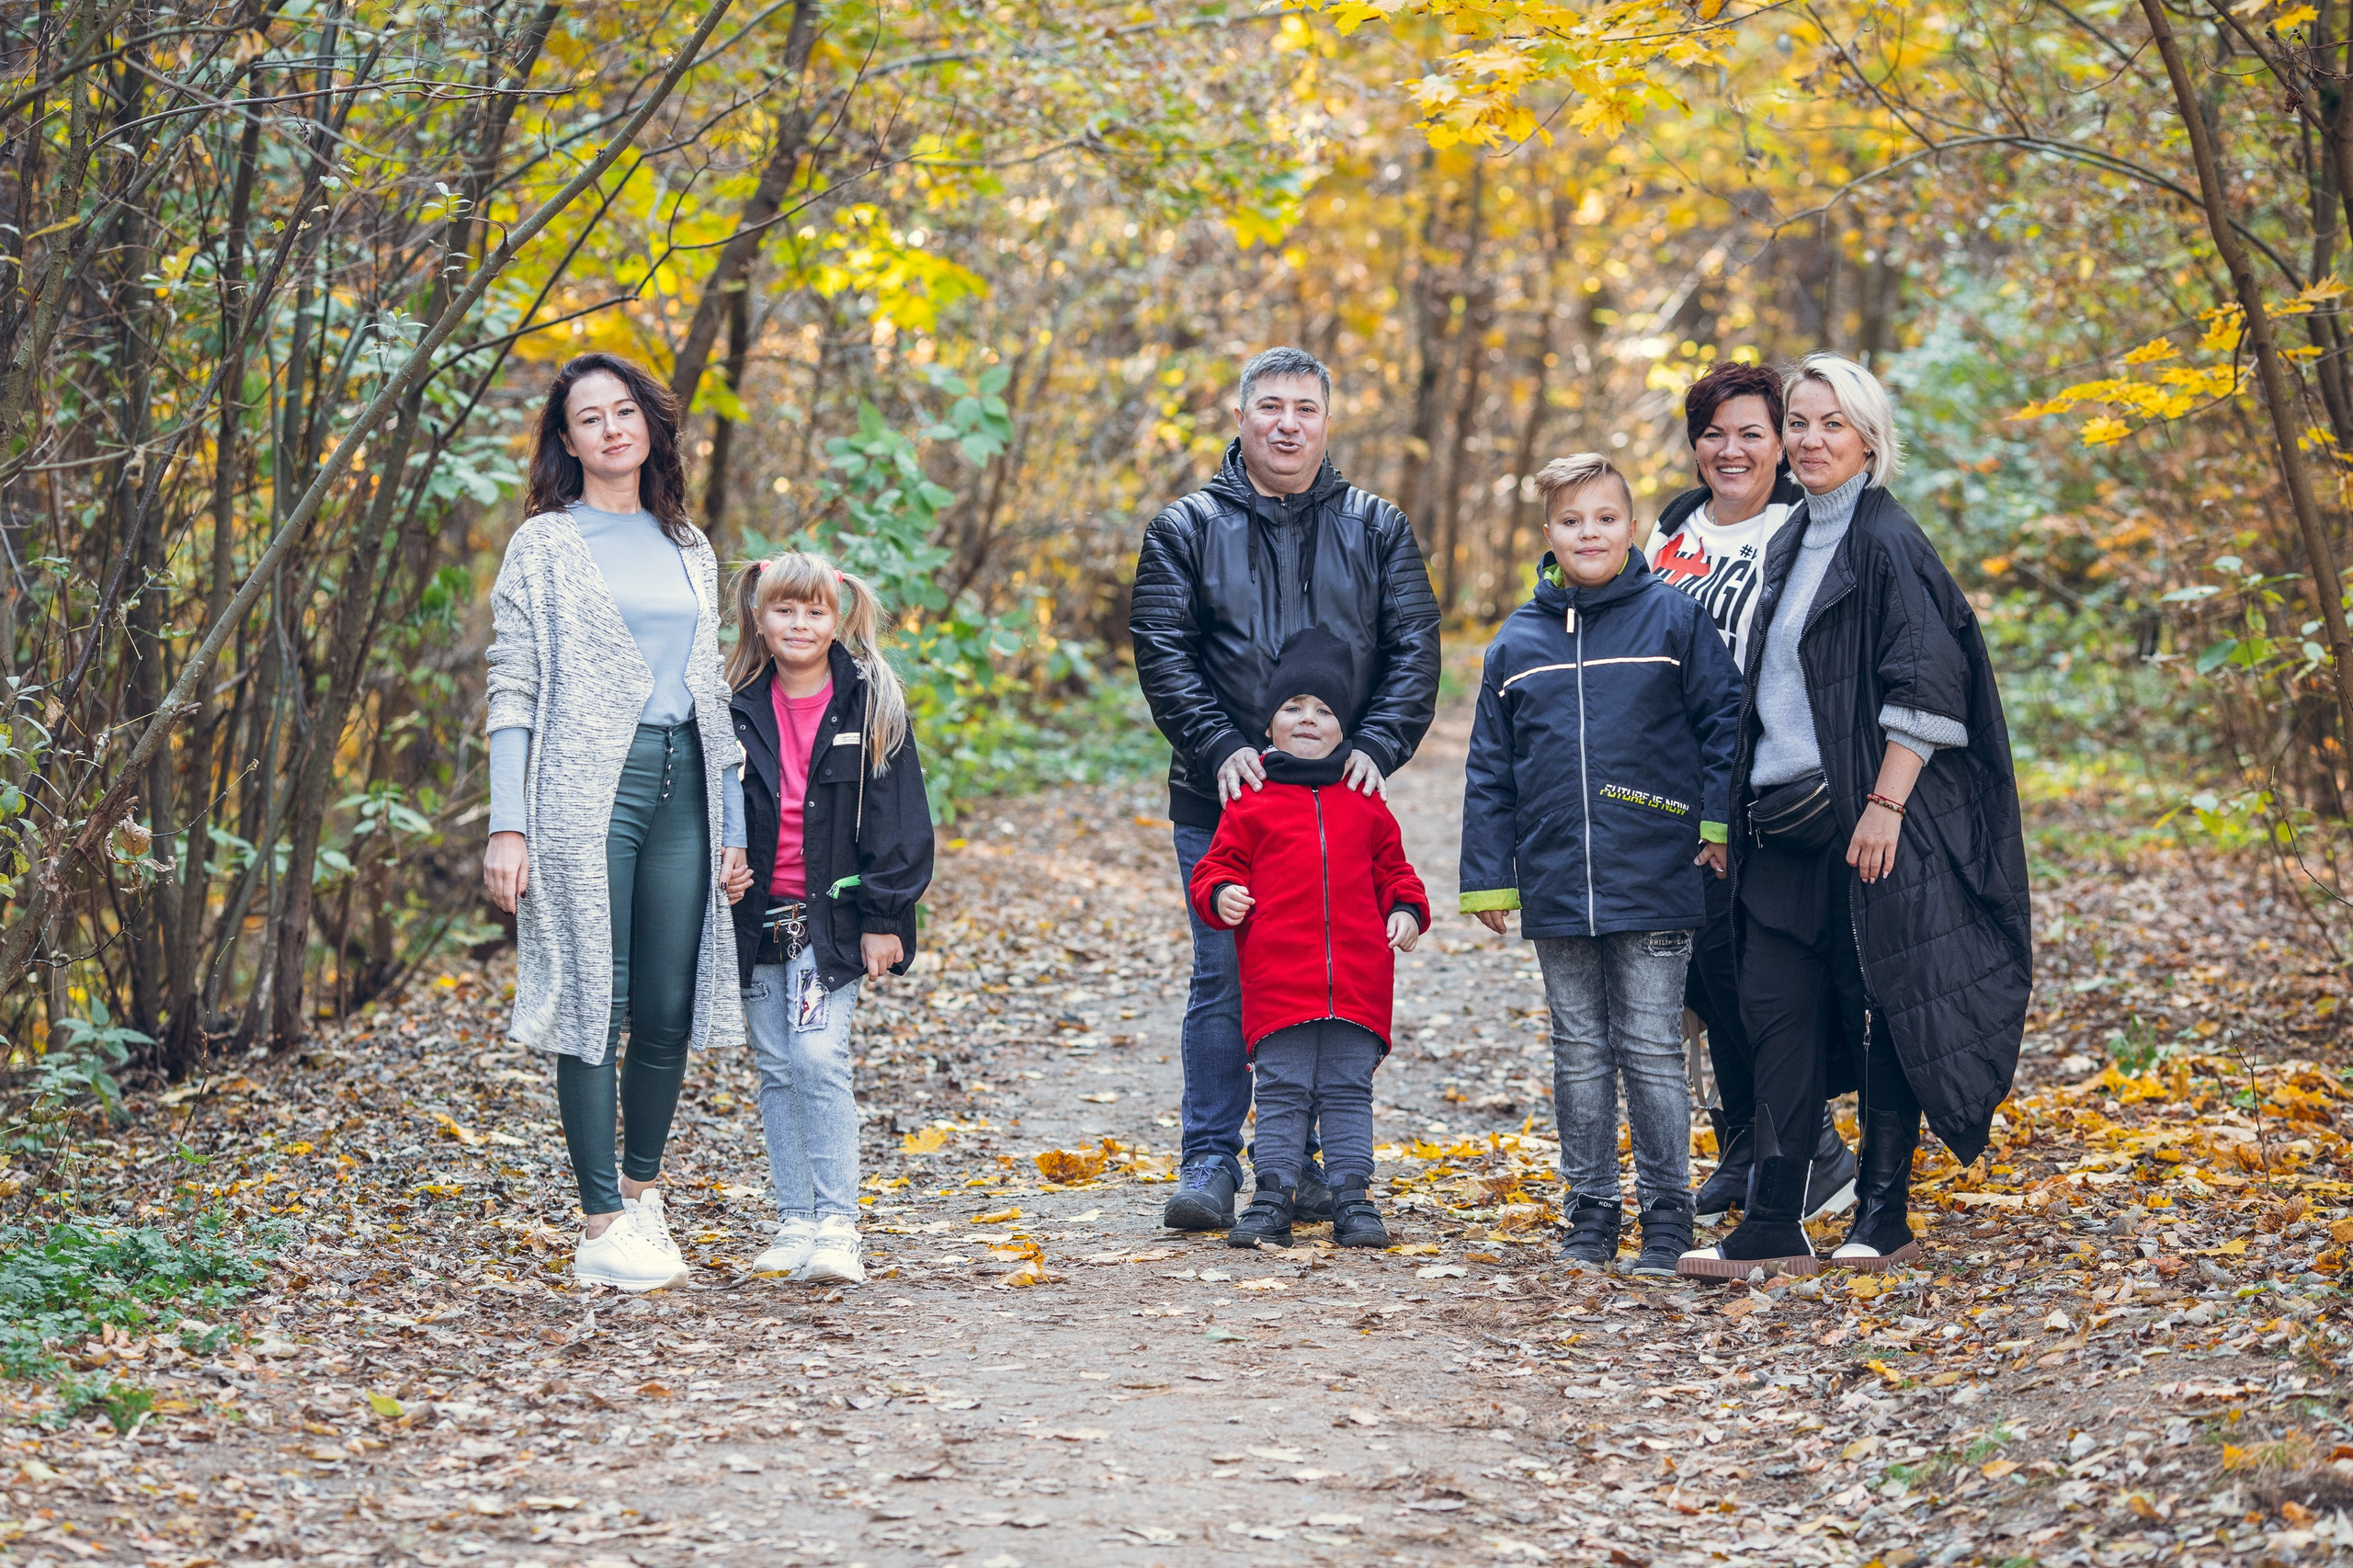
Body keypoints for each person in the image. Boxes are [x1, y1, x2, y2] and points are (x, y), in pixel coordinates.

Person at [1678, 354, 2031, 1280]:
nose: (1809, 439)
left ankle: (1883, 1212)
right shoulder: (1793, 536)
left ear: (1869, 438)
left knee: (1884, 1010)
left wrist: (1885, 803)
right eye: (1798, 422)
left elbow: (1928, 685)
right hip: (1779, 822)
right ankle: (1774, 1221)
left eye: (1831, 423)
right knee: (1773, 1008)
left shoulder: (1886, 539)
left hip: (1869, 823)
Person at [1131, 346, 1442, 1232]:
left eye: (1306, 408)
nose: (1287, 424)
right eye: (1270, 406)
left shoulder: (1376, 527)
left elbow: (1416, 647)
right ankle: (1209, 1159)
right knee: (1225, 972)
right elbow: (1162, 649)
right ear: (1240, 418)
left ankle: (1297, 1162)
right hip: (1224, 798)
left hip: (1338, 810)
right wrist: (1218, 744)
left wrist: (1377, 744)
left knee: (1319, 976)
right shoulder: (1185, 527)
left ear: (1326, 423)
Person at [484, 353, 752, 1294]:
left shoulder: (689, 544)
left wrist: (734, 820)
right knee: (593, 995)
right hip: (583, 792)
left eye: (623, 411)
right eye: (589, 418)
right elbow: (512, 686)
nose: (610, 429)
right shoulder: (544, 545)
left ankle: (641, 1196)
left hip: (688, 787)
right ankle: (599, 1221)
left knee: (668, 1005)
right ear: (567, 440)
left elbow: (709, 687)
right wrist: (507, 825)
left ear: (650, 425)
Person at [1460, 454, 1742, 1276]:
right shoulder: (1518, 642)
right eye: (1573, 521)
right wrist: (1489, 874)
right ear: (1549, 533)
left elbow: (1725, 720)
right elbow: (1490, 769)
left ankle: (1667, 1212)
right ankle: (1590, 1209)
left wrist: (1716, 823)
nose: (1590, 533)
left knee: (1651, 1047)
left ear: (1631, 527)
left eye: (1606, 519)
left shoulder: (1672, 621)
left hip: (1656, 873)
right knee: (1579, 1049)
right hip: (1555, 880)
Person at [1646, 361, 1856, 1229]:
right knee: (1700, 974)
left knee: (1749, 975)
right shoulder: (1671, 529)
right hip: (1664, 784)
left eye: (1751, 434)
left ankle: (1810, 1149)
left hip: (1756, 788)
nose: (1730, 450)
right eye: (1713, 434)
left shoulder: (1799, 530)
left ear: (1779, 445)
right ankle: (1741, 1144)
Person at [726, 551, 934, 1287]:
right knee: (776, 1068)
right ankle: (795, 1222)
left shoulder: (871, 702)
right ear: (758, 617)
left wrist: (885, 915)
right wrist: (719, 863)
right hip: (754, 920)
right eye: (784, 610)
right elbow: (708, 804)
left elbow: (901, 818)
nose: (799, 624)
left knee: (817, 1058)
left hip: (832, 922)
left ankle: (839, 1225)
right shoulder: (732, 703)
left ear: (838, 619)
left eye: (815, 612)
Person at [1186, 627, 1429, 1250]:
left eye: (1324, 709)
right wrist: (1222, 893)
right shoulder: (1251, 800)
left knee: (1348, 1089)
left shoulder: (1365, 799)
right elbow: (1215, 868)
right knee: (1282, 1089)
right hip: (1279, 982)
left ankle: (1354, 1197)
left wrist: (1406, 909)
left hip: (1357, 981)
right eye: (1293, 707)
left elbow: (1395, 871)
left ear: (1344, 725)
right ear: (1269, 723)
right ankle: (1273, 1196)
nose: (1307, 719)